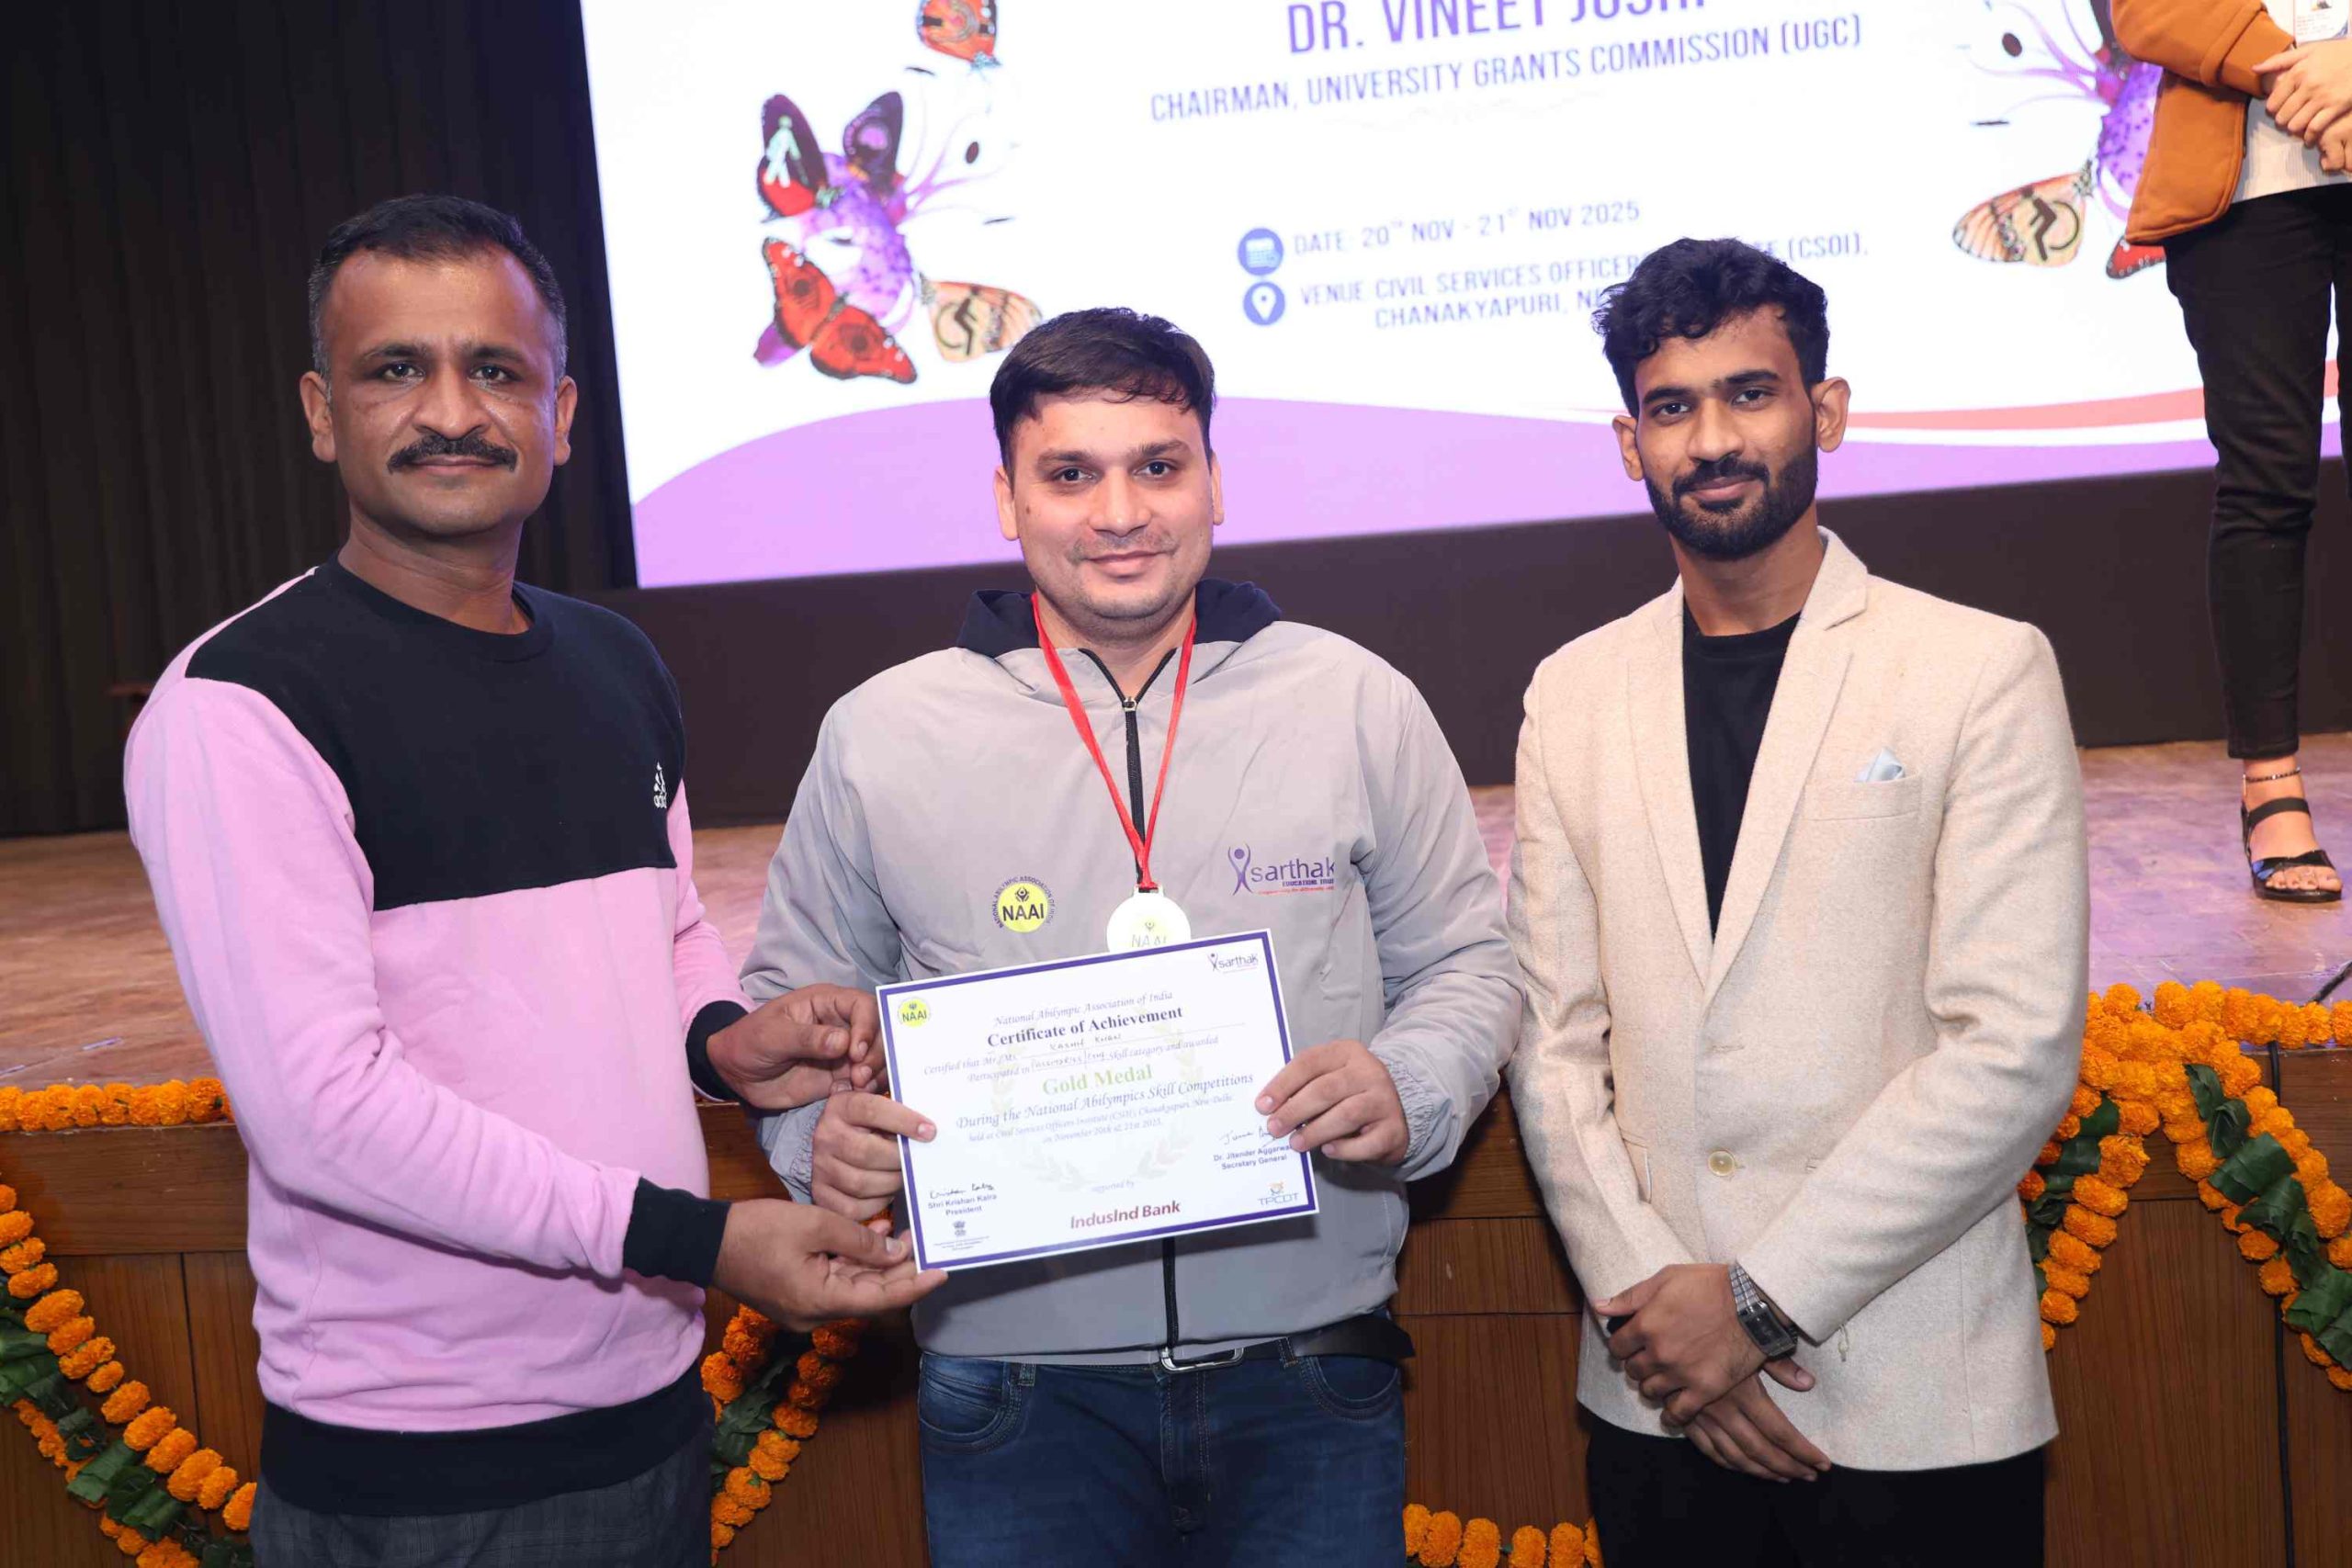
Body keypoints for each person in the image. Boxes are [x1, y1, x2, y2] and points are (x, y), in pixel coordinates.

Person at [124, 194, 940, 1568]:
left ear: (558, 414)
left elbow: (668, 928)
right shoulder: (242, 703)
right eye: (397, 368)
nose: (452, 410)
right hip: (426, 1469)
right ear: (322, 412)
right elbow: (324, 1116)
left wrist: (723, 1042)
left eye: (494, 369)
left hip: (650, 1410)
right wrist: (697, 1238)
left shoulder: (615, 661)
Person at [707, 306, 1521, 1564]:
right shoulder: (883, 732)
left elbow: (1468, 959)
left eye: (1158, 464)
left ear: (1214, 481)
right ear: (1007, 498)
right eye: (1071, 473)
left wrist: (1412, 1083)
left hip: (1309, 1365)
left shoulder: (1356, 699)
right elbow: (793, 1016)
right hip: (1013, 1387)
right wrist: (819, 1146)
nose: (1121, 511)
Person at [1505, 239, 2087, 1567]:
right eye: (1671, 406)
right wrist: (1664, 1322)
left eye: (1750, 393)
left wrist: (1756, 1305)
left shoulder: (1978, 668)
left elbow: (2010, 1047)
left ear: (1825, 411)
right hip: (1658, 1401)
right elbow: (1551, 1046)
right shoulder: (1571, 692)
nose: (1712, 438)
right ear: (1629, 443)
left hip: (1916, 1401)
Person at [2114, 0, 2352, 900]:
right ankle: (2271, 781)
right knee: (2266, 482)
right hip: (2242, 186)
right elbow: (2146, 10)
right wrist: (2299, 70)